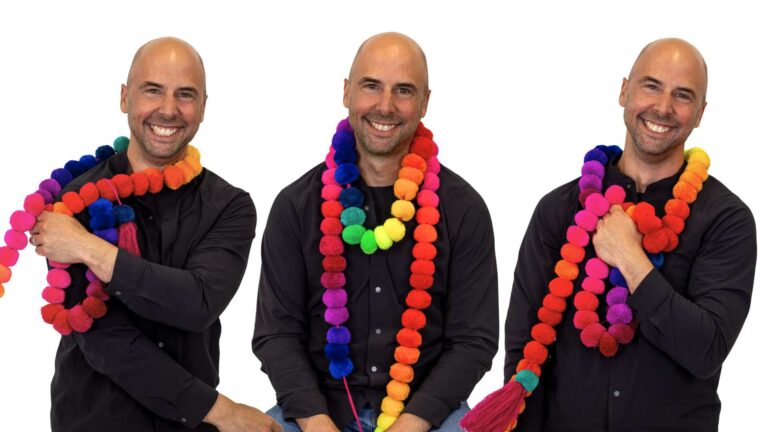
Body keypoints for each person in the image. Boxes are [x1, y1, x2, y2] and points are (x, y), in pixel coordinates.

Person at [468, 38, 755, 431]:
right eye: (651, 86)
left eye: (683, 95)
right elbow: (523, 349)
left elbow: (706, 349)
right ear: (624, 91)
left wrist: (631, 259)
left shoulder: (727, 219)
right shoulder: (557, 210)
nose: (663, 107)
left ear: (700, 113)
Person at [28, 37, 280, 432]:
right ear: (125, 98)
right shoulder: (73, 200)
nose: (168, 110)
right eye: (153, 91)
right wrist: (220, 411)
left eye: (185, 95)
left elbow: (196, 302)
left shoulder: (230, 206)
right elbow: (106, 340)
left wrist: (89, 248)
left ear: (203, 107)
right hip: (92, 420)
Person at [252, 32, 498, 432]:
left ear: (425, 102)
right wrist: (316, 423)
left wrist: (413, 422)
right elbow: (276, 335)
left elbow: (474, 341)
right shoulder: (295, 206)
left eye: (403, 90)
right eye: (371, 86)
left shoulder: (463, 208)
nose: (385, 106)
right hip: (316, 414)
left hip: (429, 417)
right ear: (347, 91)